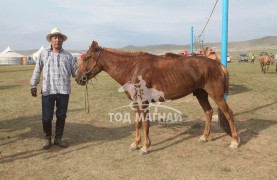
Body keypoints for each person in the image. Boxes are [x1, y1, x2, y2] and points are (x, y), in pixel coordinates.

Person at [30, 27, 78, 150]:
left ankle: (58, 138)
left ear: (62, 40)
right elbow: (37, 70)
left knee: (61, 116)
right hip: (48, 90)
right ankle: (47, 138)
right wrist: (33, 85)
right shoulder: (43, 54)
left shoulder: (68, 56)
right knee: (47, 117)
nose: (57, 40)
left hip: (63, 91)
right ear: (50, 40)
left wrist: (84, 76)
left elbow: (76, 73)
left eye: (59, 37)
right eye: (55, 37)